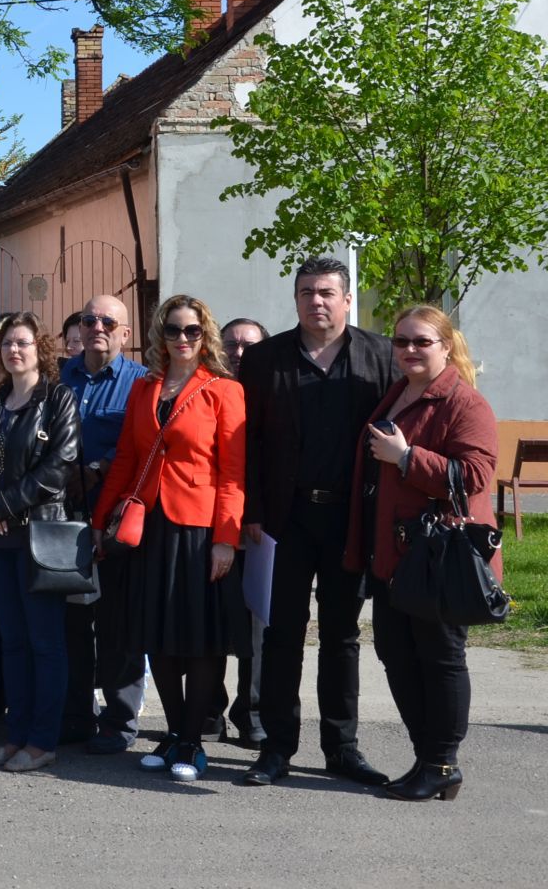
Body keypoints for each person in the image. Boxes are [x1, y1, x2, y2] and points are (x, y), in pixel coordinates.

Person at [238, 256, 396, 790]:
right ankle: (276, 747)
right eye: (306, 292)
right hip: (285, 520)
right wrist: (253, 511)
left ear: (348, 299)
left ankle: (342, 748)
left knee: (341, 636)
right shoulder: (264, 359)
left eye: (327, 292)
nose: (316, 301)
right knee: (281, 634)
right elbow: (249, 443)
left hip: (351, 519)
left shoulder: (380, 357)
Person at [347, 306, 499, 802]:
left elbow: (474, 475)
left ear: (446, 346)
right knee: (396, 654)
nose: (409, 350)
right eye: (401, 342)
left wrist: (408, 458)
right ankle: (426, 757)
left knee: (440, 658)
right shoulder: (398, 394)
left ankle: (443, 762)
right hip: (395, 554)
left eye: (421, 342)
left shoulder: (463, 402)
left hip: (437, 557)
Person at [93, 295, 247, 783]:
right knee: (156, 635)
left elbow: (233, 473)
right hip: (150, 527)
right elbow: (125, 459)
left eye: (193, 331)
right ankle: (176, 730)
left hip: (200, 530)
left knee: (200, 639)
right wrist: (101, 521)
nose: (182, 339)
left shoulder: (224, 391)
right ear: (160, 335)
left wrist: (226, 538)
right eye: (173, 331)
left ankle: (193, 740)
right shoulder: (145, 389)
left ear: (206, 337)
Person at [0, 312, 81, 773]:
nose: (14, 351)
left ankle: (42, 741)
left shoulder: (58, 398)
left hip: (39, 534)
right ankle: (15, 737)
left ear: (40, 349)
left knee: (45, 642)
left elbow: (61, 464)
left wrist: (6, 504)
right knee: (11, 642)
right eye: (8, 344)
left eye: (23, 343)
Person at [58, 294, 149, 753]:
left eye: (109, 322)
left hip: (116, 521)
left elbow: (147, 445)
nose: (98, 327)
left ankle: (119, 721)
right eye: (91, 319)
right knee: (73, 622)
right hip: (67, 519)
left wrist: (98, 468)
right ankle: (76, 716)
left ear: (125, 334)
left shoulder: (141, 384)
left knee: (117, 626)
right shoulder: (61, 377)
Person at [214, 314, 271, 748]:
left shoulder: (273, 397)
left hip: (257, 526)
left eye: (249, 346)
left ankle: (250, 712)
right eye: (231, 344)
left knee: (255, 625)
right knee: (211, 621)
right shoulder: (209, 392)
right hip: (209, 524)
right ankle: (208, 709)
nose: (239, 353)